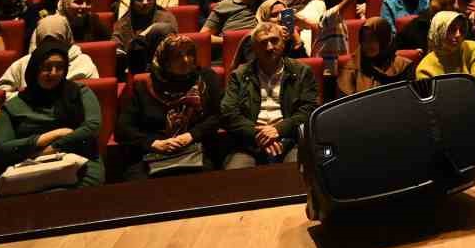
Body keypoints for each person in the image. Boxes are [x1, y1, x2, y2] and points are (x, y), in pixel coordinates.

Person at [0, 43, 106, 187]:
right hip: (31, 167)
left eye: (59, 67)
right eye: (46, 67)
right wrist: (49, 137)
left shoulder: (79, 92)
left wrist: (54, 147)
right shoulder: (14, 105)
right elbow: (1, 148)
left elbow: (92, 128)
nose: (53, 73)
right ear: (34, 69)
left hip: (81, 162)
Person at [115, 34, 223, 179]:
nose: (185, 60)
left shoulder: (206, 79)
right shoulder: (145, 87)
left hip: (195, 149)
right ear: (164, 60)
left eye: (189, 54)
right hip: (153, 154)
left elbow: (217, 116)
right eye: (177, 56)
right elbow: (123, 129)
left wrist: (191, 135)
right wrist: (154, 143)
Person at [220, 22, 318, 168]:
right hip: (249, 143)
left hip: (290, 140)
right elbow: (228, 113)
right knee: (235, 177)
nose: (270, 47)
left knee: (298, 175)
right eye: (263, 43)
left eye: (274, 40)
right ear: (254, 48)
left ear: (283, 43)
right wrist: (258, 135)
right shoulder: (239, 75)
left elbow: (309, 109)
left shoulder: (302, 72)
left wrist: (278, 130)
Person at [0, 16, 98, 94]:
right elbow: (0, 92)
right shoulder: (23, 62)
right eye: (47, 41)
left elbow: (93, 93)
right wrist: (21, 97)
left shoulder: (83, 61)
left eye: (57, 40)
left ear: (67, 38)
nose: (52, 46)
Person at [415, 11, 475, 104]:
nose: (458, 35)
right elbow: (434, 105)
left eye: (461, 29)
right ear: (439, 31)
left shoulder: (472, 48)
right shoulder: (424, 68)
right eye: (452, 29)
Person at [337, 17, 414, 95]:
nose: (368, 44)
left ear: (385, 40)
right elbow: (345, 104)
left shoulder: (403, 66)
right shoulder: (351, 68)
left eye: (373, 39)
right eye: (364, 39)